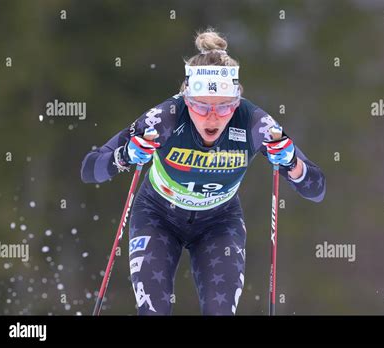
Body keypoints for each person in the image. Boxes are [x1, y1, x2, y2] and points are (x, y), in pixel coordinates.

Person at [81, 28, 326, 315]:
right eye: (200, 106)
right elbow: (90, 169)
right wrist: (125, 156)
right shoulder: (165, 117)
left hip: (219, 222)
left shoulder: (254, 122)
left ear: (237, 103)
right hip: (158, 216)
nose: (212, 117)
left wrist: (290, 161)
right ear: (186, 100)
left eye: (224, 108)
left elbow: (316, 189)